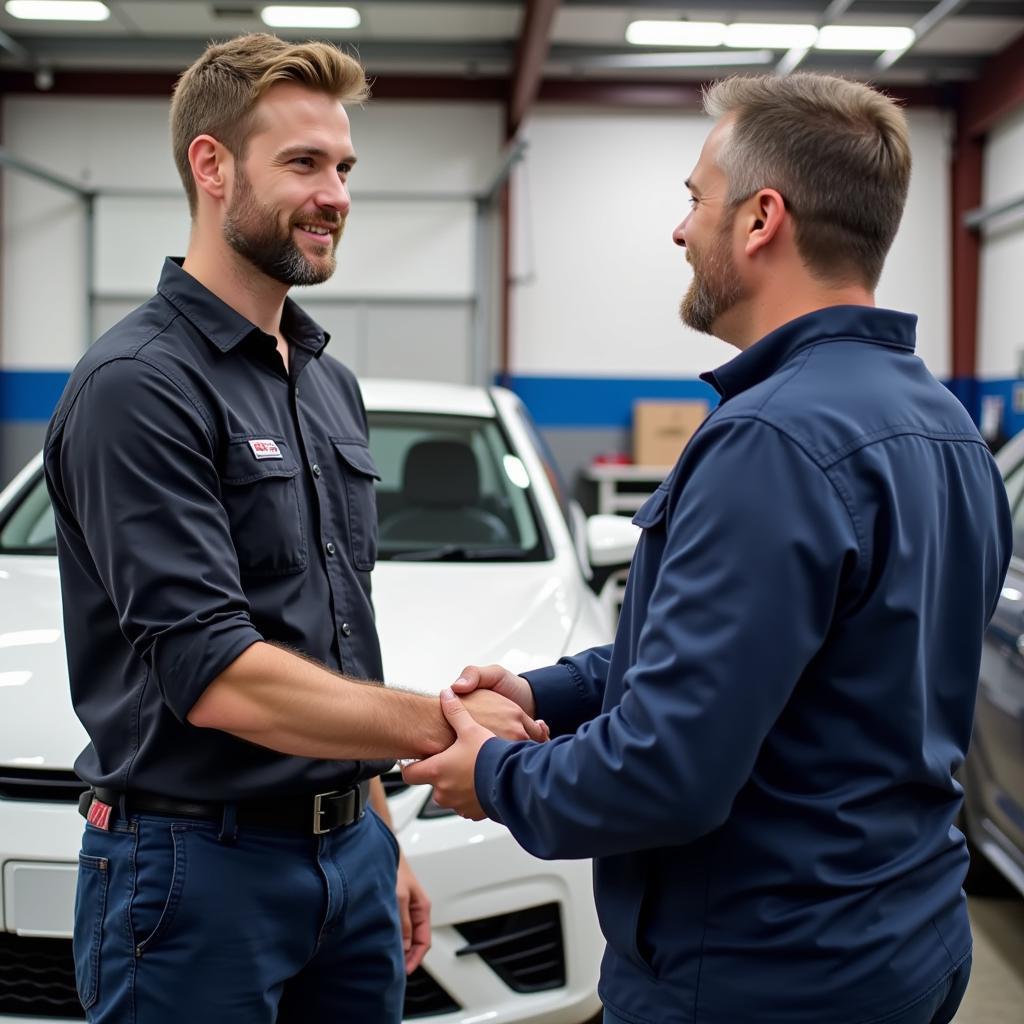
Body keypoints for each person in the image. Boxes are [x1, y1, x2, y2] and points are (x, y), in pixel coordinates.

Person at [405, 73, 1013, 1024]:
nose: (681, 231)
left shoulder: (772, 441)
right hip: (904, 940)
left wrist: (489, 774)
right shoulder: (944, 428)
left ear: (762, 218)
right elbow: (774, 663)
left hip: (760, 971)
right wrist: (543, 693)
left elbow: (662, 775)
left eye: (696, 199)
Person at [44, 33, 544, 1024]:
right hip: (193, 874)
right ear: (212, 165)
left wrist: (378, 830)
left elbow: (331, 634)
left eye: (345, 168)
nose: (337, 195)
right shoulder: (139, 387)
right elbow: (218, 671)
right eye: (304, 164)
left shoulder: (325, 385)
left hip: (345, 856)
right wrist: (448, 728)